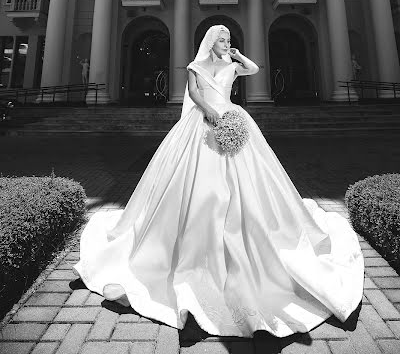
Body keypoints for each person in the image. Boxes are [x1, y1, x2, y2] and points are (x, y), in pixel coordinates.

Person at [73, 25, 364, 338]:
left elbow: (253, 69)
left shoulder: (232, 66)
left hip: (233, 119)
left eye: (229, 40)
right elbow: (195, 93)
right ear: (211, 42)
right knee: (199, 184)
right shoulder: (196, 67)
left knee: (249, 180)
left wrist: (239, 55)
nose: (226, 44)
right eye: (222, 40)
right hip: (203, 121)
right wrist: (210, 111)